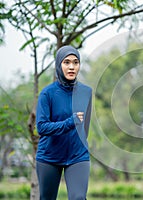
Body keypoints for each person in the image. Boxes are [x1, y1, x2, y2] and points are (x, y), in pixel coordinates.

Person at [35, 45, 92, 200]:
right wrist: (69, 122)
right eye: (66, 62)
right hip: (49, 156)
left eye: (75, 62)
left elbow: (85, 128)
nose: (72, 66)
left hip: (77, 155)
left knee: (78, 198)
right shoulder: (48, 93)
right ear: (59, 64)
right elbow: (41, 127)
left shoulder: (86, 92)